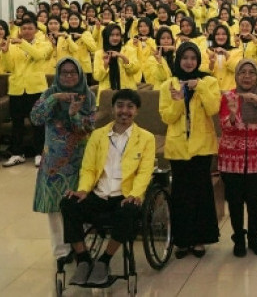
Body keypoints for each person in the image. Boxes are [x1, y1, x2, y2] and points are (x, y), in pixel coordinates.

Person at [59, 89, 155, 286]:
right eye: (120, 106)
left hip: (125, 195)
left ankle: (104, 260)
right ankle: (83, 259)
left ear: (136, 111)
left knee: (128, 212)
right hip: (99, 194)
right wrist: (83, 190)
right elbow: (89, 168)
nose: (124, 111)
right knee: (68, 204)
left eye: (130, 107)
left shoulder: (146, 138)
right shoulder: (98, 135)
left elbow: (144, 172)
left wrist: (136, 195)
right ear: (112, 109)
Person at [30, 57, 96, 269]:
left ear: (80, 74)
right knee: (54, 207)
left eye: (73, 72)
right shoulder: (50, 94)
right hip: (54, 161)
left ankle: (81, 248)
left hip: (79, 159)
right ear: (58, 74)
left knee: (79, 205)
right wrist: (54, 98)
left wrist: (74, 114)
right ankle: (61, 251)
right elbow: (36, 118)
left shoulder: (88, 96)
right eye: (64, 72)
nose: (69, 76)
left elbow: (88, 129)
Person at [159, 42, 220, 259]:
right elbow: (166, 117)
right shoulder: (169, 84)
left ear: (198, 60)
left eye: (193, 58)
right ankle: (182, 240)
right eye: (185, 58)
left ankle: (200, 239)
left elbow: (214, 108)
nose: (189, 62)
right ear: (178, 60)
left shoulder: (209, 81)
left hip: (202, 146)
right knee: (182, 194)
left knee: (201, 192)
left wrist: (199, 87)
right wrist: (177, 101)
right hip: (178, 146)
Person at [218, 59, 257, 257]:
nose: (246, 76)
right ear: (236, 75)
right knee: (235, 201)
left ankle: (255, 239)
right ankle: (238, 238)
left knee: (255, 202)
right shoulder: (228, 96)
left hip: (256, 155)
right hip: (231, 157)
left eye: (251, 72)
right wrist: (234, 114)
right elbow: (224, 125)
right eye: (242, 72)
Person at [1, 16, 52, 167]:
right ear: (20, 31)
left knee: (38, 123)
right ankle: (17, 153)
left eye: (30, 28)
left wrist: (21, 43)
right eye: (24, 29)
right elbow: (9, 67)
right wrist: (5, 52)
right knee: (17, 123)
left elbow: (38, 56)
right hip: (17, 89)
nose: (27, 31)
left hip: (36, 88)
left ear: (36, 30)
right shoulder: (13, 46)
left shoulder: (44, 44)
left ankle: (39, 153)